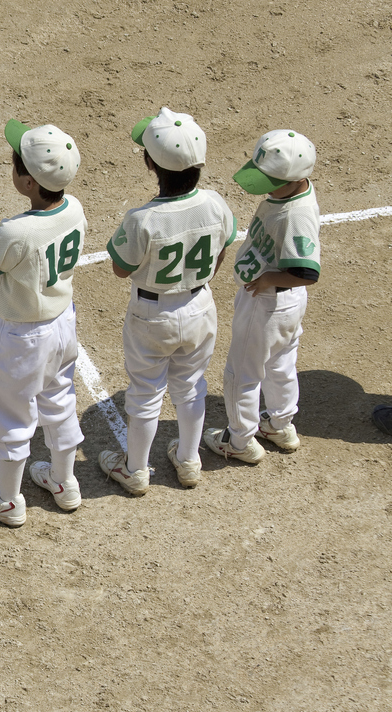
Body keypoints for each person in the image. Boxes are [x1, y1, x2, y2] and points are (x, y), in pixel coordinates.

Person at [99, 107, 237, 493]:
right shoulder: (215, 203)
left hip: (151, 314)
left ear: (149, 163)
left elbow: (120, 268)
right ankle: (190, 460)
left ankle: (136, 470)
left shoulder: (142, 219)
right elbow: (222, 251)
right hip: (199, 306)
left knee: (145, 393)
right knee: (192, 385)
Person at [0, 119, 86, 526]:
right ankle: (65, 482)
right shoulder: (76, 208)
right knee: (59, 400)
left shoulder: (16, 230)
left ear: (29, 182)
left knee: (12, 415)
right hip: (63, 324)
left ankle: (7, 499)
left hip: (20, 335)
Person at [204, 130, 320, 462]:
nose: (266, 185)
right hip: (284, 304)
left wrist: (269, 278)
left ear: (296, 178)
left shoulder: (296, 215)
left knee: (242, 372)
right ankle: (280, 425)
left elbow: (308, 272)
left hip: (267, 303)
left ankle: (239, 441)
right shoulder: (291, 194)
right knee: (281, 363)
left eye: (273, 180)